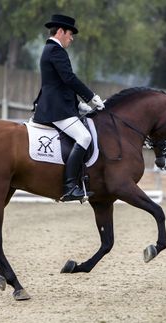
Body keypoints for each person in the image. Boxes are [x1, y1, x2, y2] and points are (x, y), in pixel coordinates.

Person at [33, 14, 105, 202]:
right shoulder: (56, 51)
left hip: (59, 105)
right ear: (60, 31)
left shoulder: (50, 50)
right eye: (70, 34)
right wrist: (91, 97)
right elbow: (69, 79)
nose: (71, 38)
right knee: (85, 136)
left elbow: (59, 84)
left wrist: (77, 105)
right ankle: (70, 186)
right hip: (55, 109)